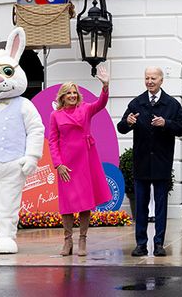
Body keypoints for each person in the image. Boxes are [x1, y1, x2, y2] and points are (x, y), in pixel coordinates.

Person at [117, 66, 182, 257]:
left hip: (162, 163)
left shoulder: (171, 104)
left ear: (161, 80)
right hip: (141, 163)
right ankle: (141, 244)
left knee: (161, 206)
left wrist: (167, 124)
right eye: (147, 78)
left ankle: (158, 244)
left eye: (153, 78)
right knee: (140, 206)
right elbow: (121, 127)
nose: (149, 81)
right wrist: (128, 122)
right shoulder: (137, 103)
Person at [49, 64, 112, 257]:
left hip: (85, 160)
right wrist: (58, 164)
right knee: (67, 204)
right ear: (62, 96)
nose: (72, 96)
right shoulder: (55, 115)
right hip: (66, 163)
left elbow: (100, 104)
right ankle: (67, 241)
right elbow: (53, 141)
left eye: (74, 92)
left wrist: (105, 86)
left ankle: (82, 240)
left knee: (85, 202)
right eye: (68, 93)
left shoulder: (85, 109)